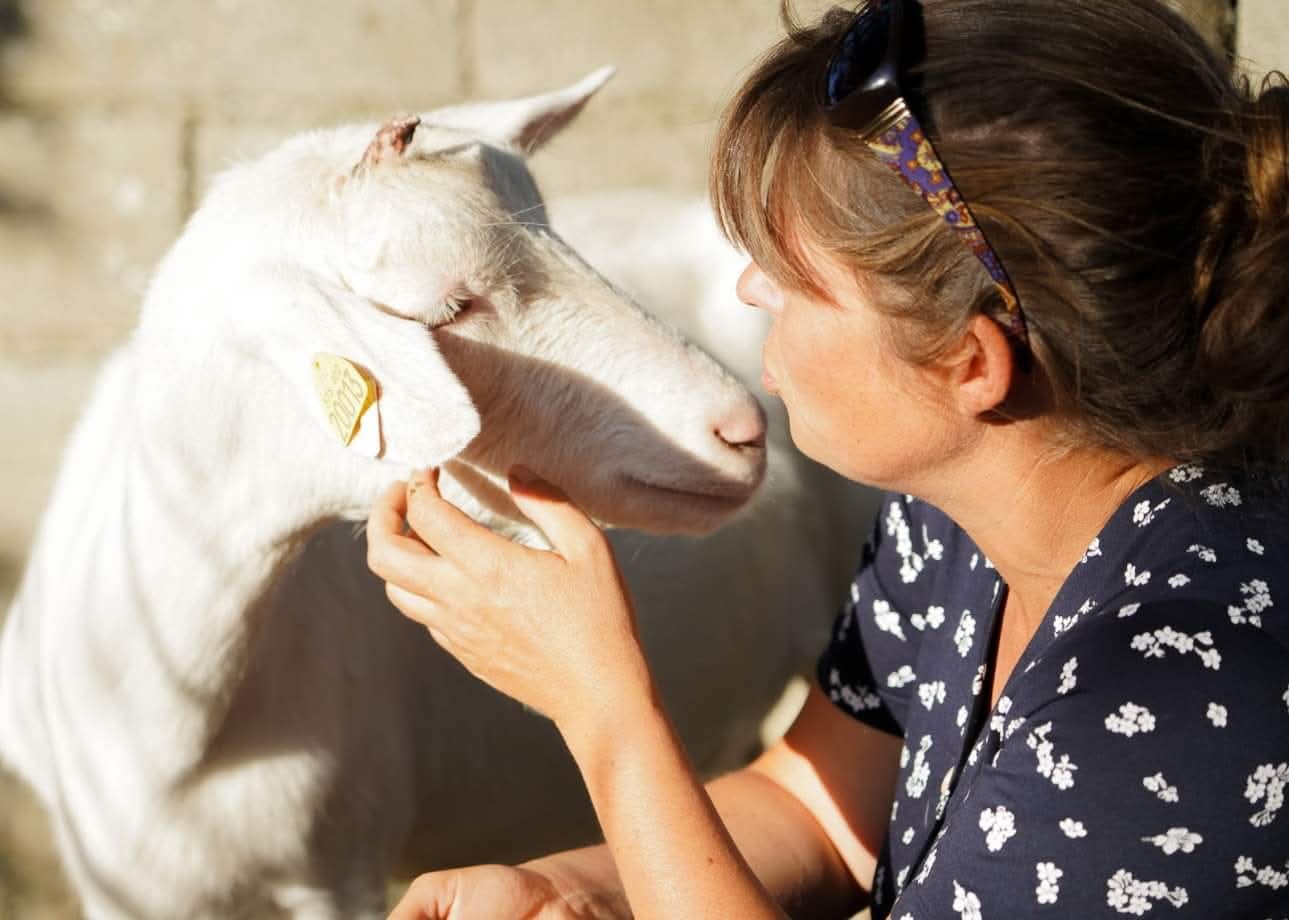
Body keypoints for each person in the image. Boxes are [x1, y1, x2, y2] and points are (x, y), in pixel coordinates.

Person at [365, 0, 1289, 915]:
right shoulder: (959, 517)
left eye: (794, 274)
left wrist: (605, 711)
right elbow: (817, 810)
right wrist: (566, 889)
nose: (748, 285)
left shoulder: (1175, 701)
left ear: (969, 363)